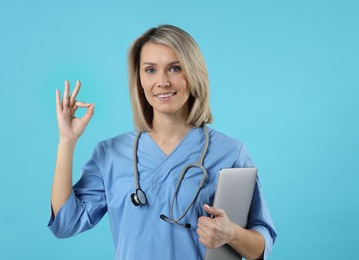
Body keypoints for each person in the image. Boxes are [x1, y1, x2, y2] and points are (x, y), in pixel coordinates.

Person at [48, 24, 277, 260]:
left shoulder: (230, 152)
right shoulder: (111, 154)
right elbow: (66, 224)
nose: (163, 82)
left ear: (193, 73)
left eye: (175, 68)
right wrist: (67, 142)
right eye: (150, 70)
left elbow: (260, 246)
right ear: (139, 80)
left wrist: (232, 234)